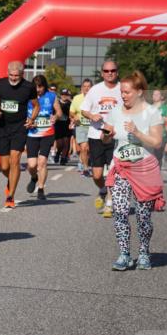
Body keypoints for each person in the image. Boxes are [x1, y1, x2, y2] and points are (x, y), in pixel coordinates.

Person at [101, 71, 165, 270]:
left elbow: (157, 142)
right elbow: (106, 137)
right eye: (122, 92)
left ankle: (144, 252)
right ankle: (124, 254)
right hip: (121, 167)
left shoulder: (152, 112)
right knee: (119, 212)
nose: (123, 95)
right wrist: (106, 135)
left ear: (139, 91)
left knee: (143, 217)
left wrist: (137, 132)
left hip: (144, 169)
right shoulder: (116, 111)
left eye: (127, 92)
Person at [0, 61, 38, 209]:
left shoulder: (29, 87)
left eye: (17, 76)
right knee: (5, 166)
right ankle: (11, 179)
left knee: (15, 160)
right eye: (11, 75)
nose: (14, 78)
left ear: (22, 74)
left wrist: (32, 119)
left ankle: (10, 196)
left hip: (19, 128)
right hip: (2, 127)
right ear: (7, 72)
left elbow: (36, 105)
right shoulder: (1, 84)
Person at [82, 60, 122, 217]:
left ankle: (109, 204)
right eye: (106, 71)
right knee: (97, 175)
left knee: (113, 172)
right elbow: (84, 110)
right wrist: (92, 115)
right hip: (96, 135)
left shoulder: (123, 89)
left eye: (113, 70)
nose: (110, 73)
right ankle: (103, 189)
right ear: (102, 73)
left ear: (117, 72)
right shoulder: (95, 90)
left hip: (116, 137)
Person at [24, 74, 62, 200]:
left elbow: (59, 112)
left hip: (47, 133)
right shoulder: (28, 96)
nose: (38, 89)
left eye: (40, 87)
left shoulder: (51, 96)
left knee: (42, 162)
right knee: (32, 165)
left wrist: (55, 117)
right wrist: (28, 121)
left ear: (44, 86)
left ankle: (41, 188)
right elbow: (23, 113)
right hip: (32, 133)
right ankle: (34, 177)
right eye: (36, 87)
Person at [70, 79, 93, 176]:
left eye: (89, 86)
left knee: (90, 148)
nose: (87, 88)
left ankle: (90, 162)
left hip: (94, 127)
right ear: (82, 88)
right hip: (81, 126)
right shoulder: (77, 98)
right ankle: (86, 168)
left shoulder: (96, 98)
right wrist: (74, 116)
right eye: (85, 86)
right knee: (84, 148)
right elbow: (71, 111)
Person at [151, 89, 167, 170]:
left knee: (158, 156)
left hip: (161, 135)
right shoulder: (149, 107)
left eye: (157, 94)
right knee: (150, 156)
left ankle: (157, 174)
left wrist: (161, 118)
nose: (155, 96)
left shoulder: (165, 108)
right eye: (154, 94)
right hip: (150, 135)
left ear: (161, 97)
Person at [54, 88, 73, 166]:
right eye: (63, 95)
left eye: (66, 95)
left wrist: (71, 100)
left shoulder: (70, 103)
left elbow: (73, 110)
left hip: (67, 125)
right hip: (58, 125)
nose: (64, 96)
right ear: (60, 95)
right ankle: (58, 153)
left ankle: (63, 158)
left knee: (66, 142)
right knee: (60, 144)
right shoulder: (57, 103)